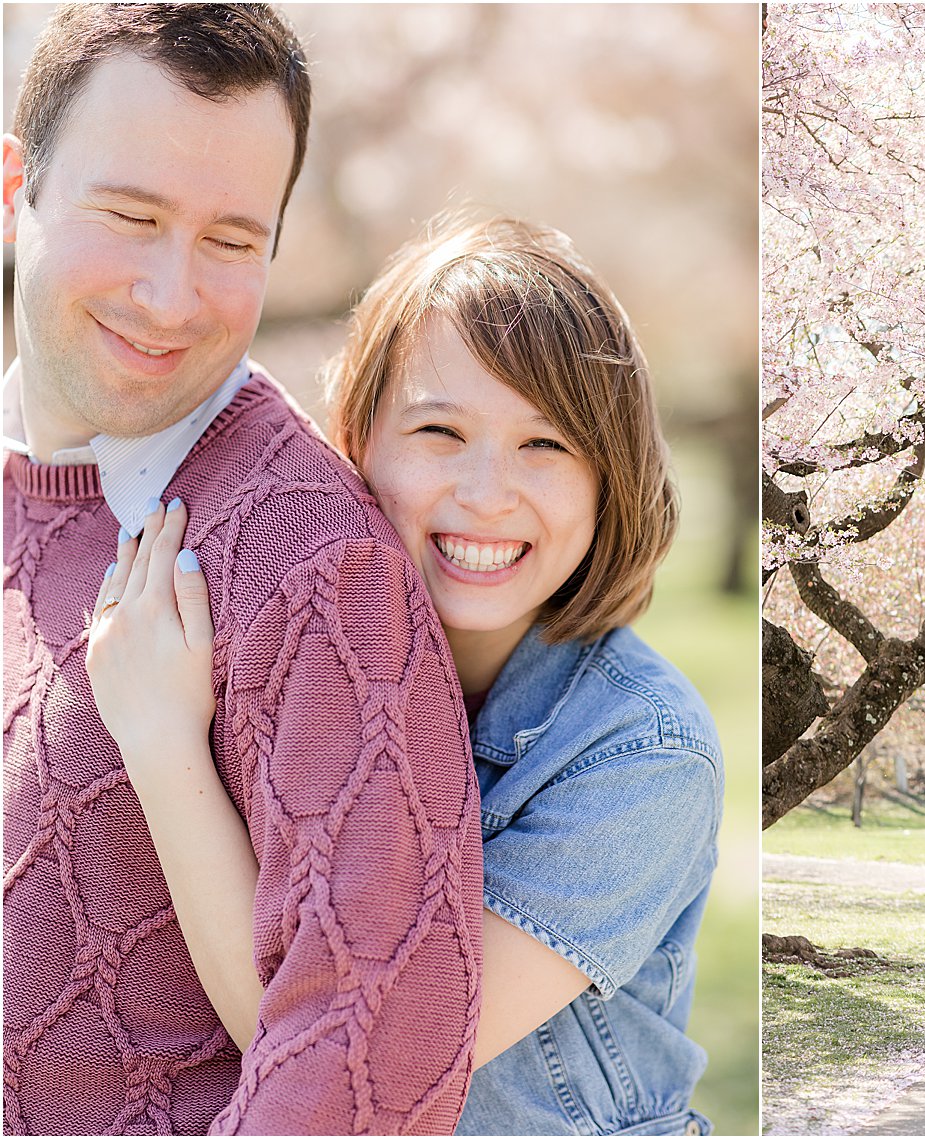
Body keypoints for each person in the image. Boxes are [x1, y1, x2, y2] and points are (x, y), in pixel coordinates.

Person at [85, 212, 724, 1136]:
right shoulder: (300, 664)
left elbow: (344, 1058)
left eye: (545, 445)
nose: (486, 491)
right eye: (439, 429)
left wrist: (160, 738)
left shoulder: (642, 754)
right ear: (359, 440)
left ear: (607, 477)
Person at [1, 5, 484, 1134]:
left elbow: (372, 1063)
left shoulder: (317, 568)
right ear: (15, 186)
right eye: (131, 216)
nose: (171, 298)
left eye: (228, 240)